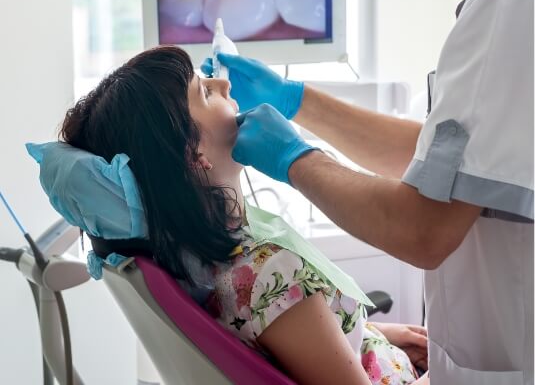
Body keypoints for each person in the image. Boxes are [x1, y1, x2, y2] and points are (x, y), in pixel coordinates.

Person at [201, 0, 534, 383]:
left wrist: (295, 159)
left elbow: (424, 230)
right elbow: (449, 166)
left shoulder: (512, 1)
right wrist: (297, 101)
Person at [59, 46, 429, 385]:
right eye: (204, 91)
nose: (223, 82)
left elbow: (293, 342)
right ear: (193, 152)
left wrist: (370, 335)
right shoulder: (268, 273)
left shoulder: (207, 265)